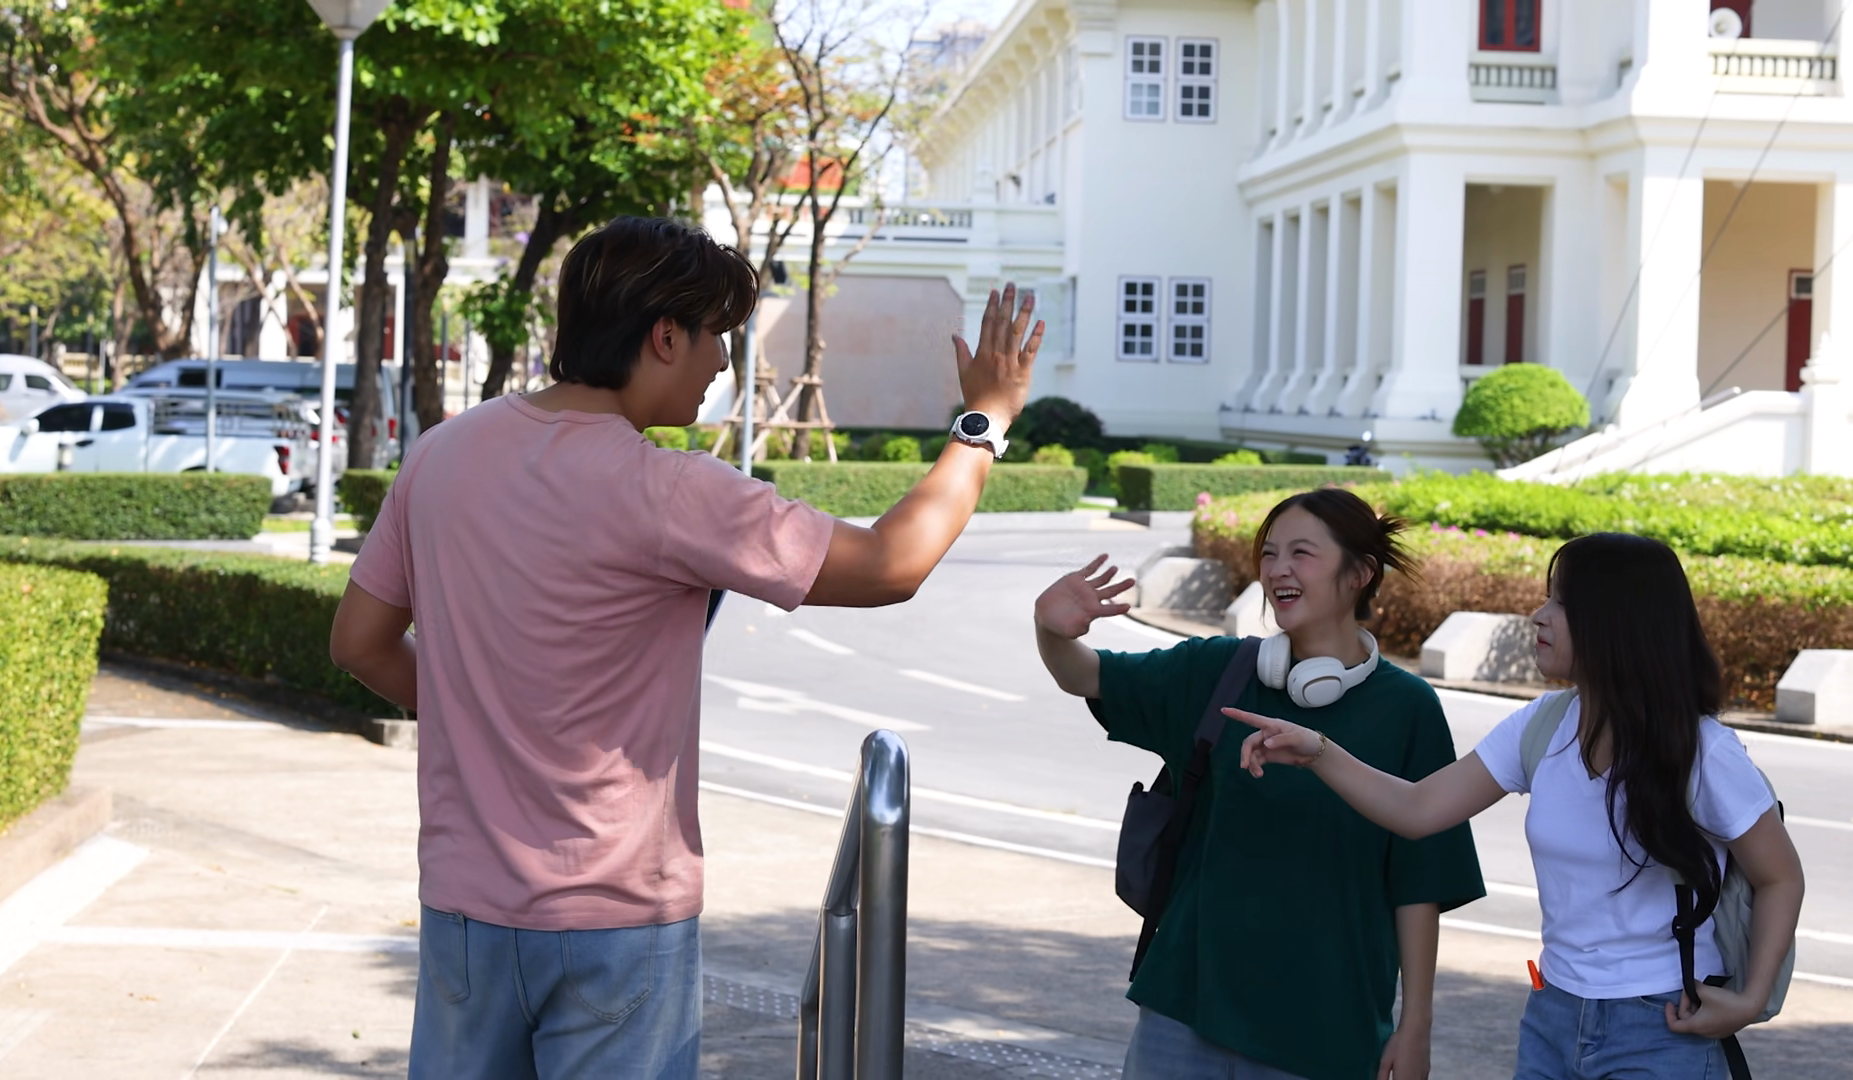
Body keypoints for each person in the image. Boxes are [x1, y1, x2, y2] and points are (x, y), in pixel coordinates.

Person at [327, 216, 1042, 1079]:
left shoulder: (440, 457)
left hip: (463, 912)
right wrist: (983, 424)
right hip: (617, 917)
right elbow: (893, 564)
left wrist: (483, 715)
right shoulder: (669, 490)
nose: (724, 364)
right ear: (664, 337)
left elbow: (359, 642)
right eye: (716, 337)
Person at [1232, 532, 1806, 1080]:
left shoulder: (1703, 752)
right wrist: (1318, 752)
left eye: (1561, 603)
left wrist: (1750, 998)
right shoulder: (1544, 725)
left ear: (1617, 622)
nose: (1539, 616)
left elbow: (1780, 877)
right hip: (1552, 1016)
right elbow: (1418, 808)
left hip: (1664, 1024)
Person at [1035, 488, 1485, 1080]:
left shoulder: (1408, 709)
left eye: (1302, 553)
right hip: (1184, 1014)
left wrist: (1415, 1026)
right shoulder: (1218, 670)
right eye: (1269, 553)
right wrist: (1052, 632)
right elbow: (1088, 676)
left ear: (1360, 574)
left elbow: (1419, 883)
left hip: (1328, 1031)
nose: (1277, 570)